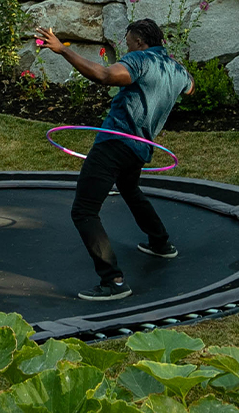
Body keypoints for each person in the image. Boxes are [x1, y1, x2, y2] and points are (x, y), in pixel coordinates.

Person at [35, 19, 194, 301]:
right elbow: (190, 87)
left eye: (129, 42)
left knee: (84, 210)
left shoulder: (140, 60)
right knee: (129, 188)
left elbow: (104, 75)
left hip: (114, 142)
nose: (127, 47)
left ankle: (114, 281)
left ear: (141, 44)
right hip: (140, 149)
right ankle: (160, 243)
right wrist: (172, 73)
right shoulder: (176, 69)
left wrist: (63, 50)